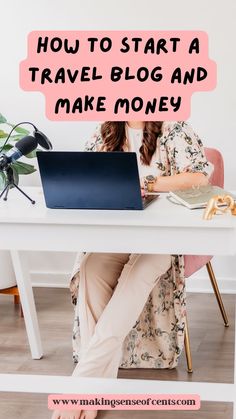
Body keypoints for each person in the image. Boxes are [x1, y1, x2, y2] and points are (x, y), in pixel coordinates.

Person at [52, 120, 214, 419]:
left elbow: (199, 177)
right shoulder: (106, 130)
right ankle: (100, 382)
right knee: (91, 267)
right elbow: (86, 175)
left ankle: (83, 383)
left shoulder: (175, 128)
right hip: (117, 232)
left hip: (163, 238)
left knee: (139, 272)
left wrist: (146, 183)